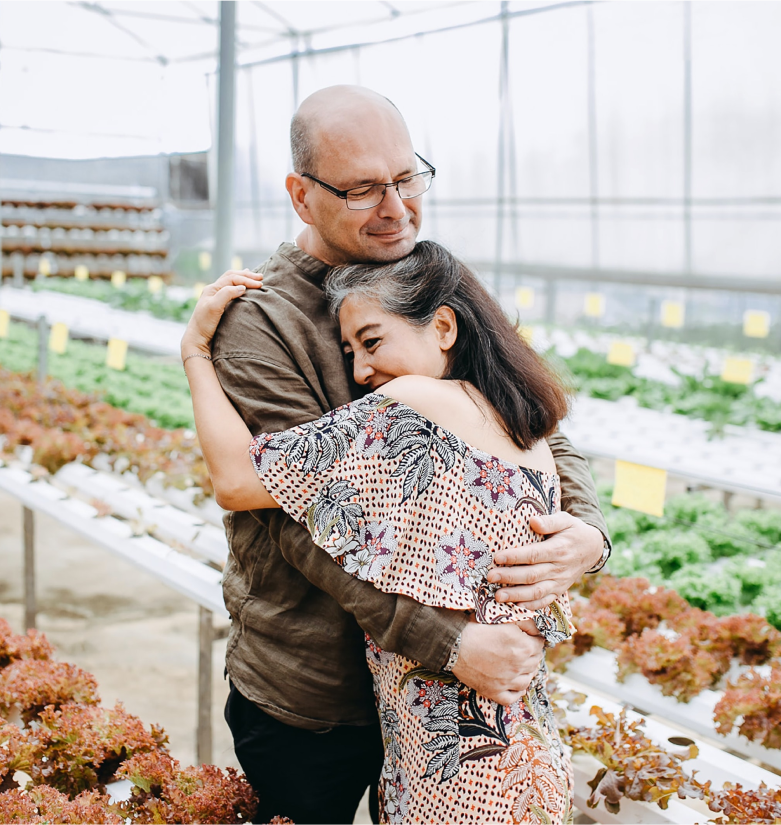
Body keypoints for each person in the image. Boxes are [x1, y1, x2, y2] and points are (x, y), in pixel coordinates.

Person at [208, 85, 610, 825]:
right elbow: (301, 524)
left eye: (407, 178)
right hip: (318, 690)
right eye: (363, 188)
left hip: (447, 694)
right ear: (301, 195)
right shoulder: (260, 319)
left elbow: (527, 413)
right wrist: (449, 642)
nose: (396, 207)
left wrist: (586, 531)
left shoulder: (424, 274)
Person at [182, 240, 579, 824]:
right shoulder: (525, 431)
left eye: (371, 341)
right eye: (349, 352)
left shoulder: (413, 404)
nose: (361, 371)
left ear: (443, 326)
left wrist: (195, 352)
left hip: (455, 768)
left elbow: (238, 480)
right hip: (519, 746)